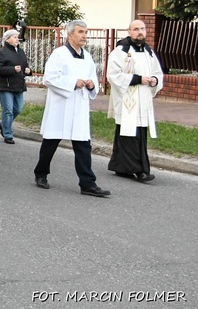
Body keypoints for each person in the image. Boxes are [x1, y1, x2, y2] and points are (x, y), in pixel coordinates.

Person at [34, 20, 110, 198]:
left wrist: (92, 85)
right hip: (61, 105)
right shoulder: (59, 54)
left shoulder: (88, 56)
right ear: (70, 35)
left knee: (83, 145)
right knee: (50, 142)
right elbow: (49, 78)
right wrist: (72, 83)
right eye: (80, 32)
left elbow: (94, 78)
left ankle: (87, 183)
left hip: (79, 106)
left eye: (85, 32)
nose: (84, 35)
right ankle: (41, 173)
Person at [107, 20, 164, 182]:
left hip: (143, 101)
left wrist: (154, 80)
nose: (140, 32)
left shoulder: (148, 52)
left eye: (142, 29)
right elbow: (113, 75)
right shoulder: (120, 51)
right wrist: (138, 79)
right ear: (129, 31)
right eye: (136, 29)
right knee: (129, 135)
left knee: (138, 134)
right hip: (128, 100)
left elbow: (157, 73)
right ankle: (140, 170)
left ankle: (120, 166)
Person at [0, 29, 30, 144]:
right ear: (7, 39)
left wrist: (28, 70)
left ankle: (4, 124)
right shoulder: (1, 52)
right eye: (14, 37)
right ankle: (8, 134)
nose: (17, 39)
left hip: (19, 84)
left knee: (18, 109)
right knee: (8, 110)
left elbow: (25, 65)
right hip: (6, 85)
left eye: (17, 37)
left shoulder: (21, 51)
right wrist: (12, 69)